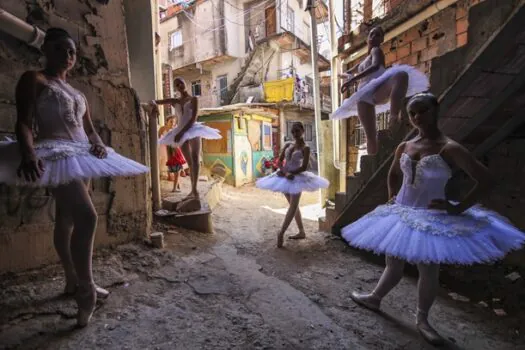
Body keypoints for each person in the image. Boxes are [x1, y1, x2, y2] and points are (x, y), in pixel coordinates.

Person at [340, 92, 525, 345]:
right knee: (392, 263)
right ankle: (374, 298)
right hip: (401, 213)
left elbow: (487, 180)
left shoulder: (449, 148)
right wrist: (392, 195)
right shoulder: (404, 146)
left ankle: (422, 320)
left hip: (431, 216)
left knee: (427, 269)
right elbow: (394, 174)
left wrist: (457, 208)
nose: (417, 117)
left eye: (422, 111)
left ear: (436, 110)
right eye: (412, 113)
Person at [0, 28, 149, 327]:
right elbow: (24, 123)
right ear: (46, 50)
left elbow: (89, 128)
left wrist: (95, 141)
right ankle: (86, 289)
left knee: (67, 219)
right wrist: (29, 154)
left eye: (72, 52)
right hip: (56, 154)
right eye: (61, 50)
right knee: (88, 217)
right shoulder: (34, 79)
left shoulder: (78, 92)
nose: (68, 56)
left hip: (83, 155)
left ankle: (71, 279)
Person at [332, 26, 430, 155]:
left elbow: (376, 65)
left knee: (401, 76)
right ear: (367, 38)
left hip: (377, 90)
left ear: (382, 39)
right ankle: (372, 158)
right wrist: (345, 77)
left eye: (377, 35)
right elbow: (349, 72)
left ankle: (394, 116)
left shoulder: (376, 51)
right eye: (371, 34)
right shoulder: (363, 60)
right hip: (363, 96)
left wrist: (352, 80)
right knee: (370, 136)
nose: (373, 37)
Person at [256, 122, 329, 248]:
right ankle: (301, 232)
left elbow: (304, 167)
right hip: (284, 177)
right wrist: (285, 173)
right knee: (293, 206)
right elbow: (279, 162)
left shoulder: (305, 148)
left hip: (296, 178)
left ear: (302, 131)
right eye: (293, 131)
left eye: (297, 131)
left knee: (293, 206)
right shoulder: (288, 145)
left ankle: (281, 232)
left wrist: (290, 173)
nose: (295, 133)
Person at [151, 77, 221, 200]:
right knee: (189, 162)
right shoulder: (175, 101)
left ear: (185, 84)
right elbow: (156, 101)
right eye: (177, 85)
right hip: (180, 131)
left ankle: (195, 190)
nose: (179, 86)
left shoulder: (193, 99)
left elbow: (193, 118)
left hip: (193, 129)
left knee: (195, 159)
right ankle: (192, 191)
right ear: (175, 88)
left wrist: (181, 132)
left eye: (181, 83)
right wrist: (153, 106)